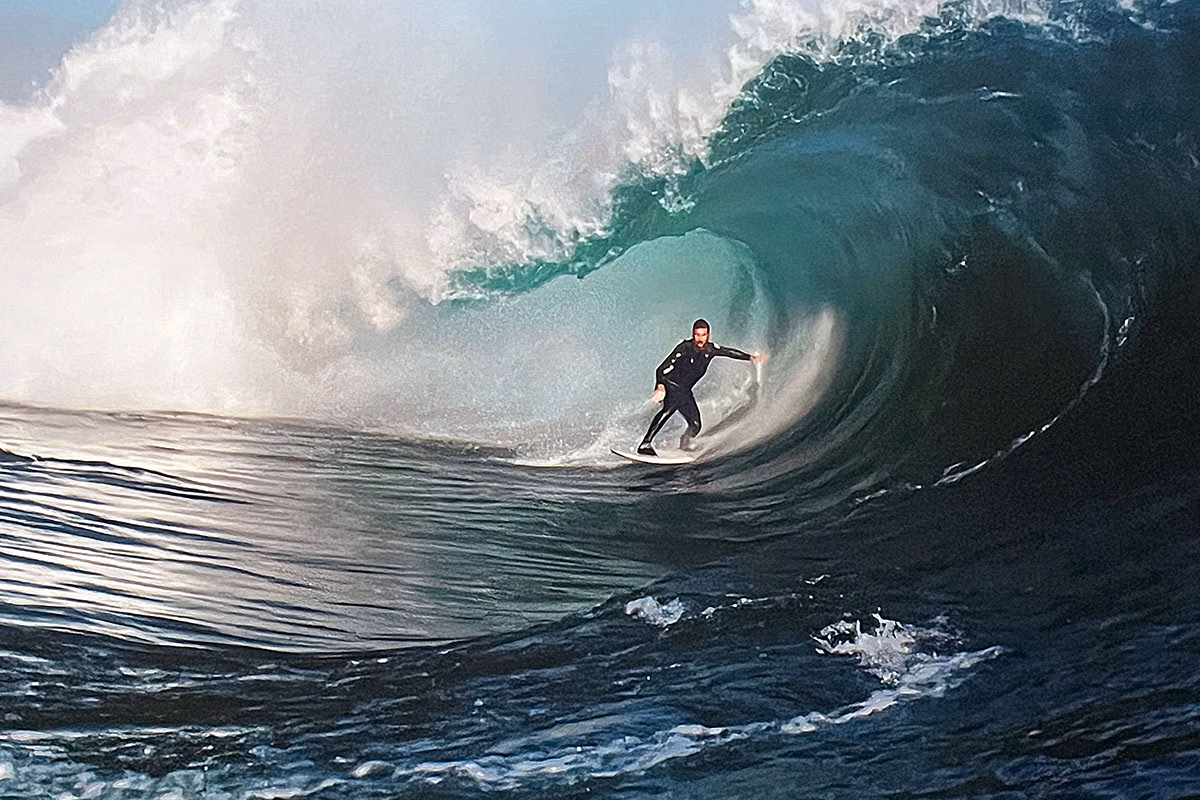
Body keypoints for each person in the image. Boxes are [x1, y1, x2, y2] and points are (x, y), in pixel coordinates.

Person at [638, 319, 766, 456]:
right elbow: (661, 369)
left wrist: (751, 357)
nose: (700, 339)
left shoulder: (710, 349)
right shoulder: (684, 348)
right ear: (693, 335)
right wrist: (660, 387)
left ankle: (685, 442)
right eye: (697, 335)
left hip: (685, 391)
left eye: (703, 335)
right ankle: (645, 443)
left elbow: (729, 352)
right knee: (669, 409)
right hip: (671, 384)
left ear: (708, 336)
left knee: (695, 424)